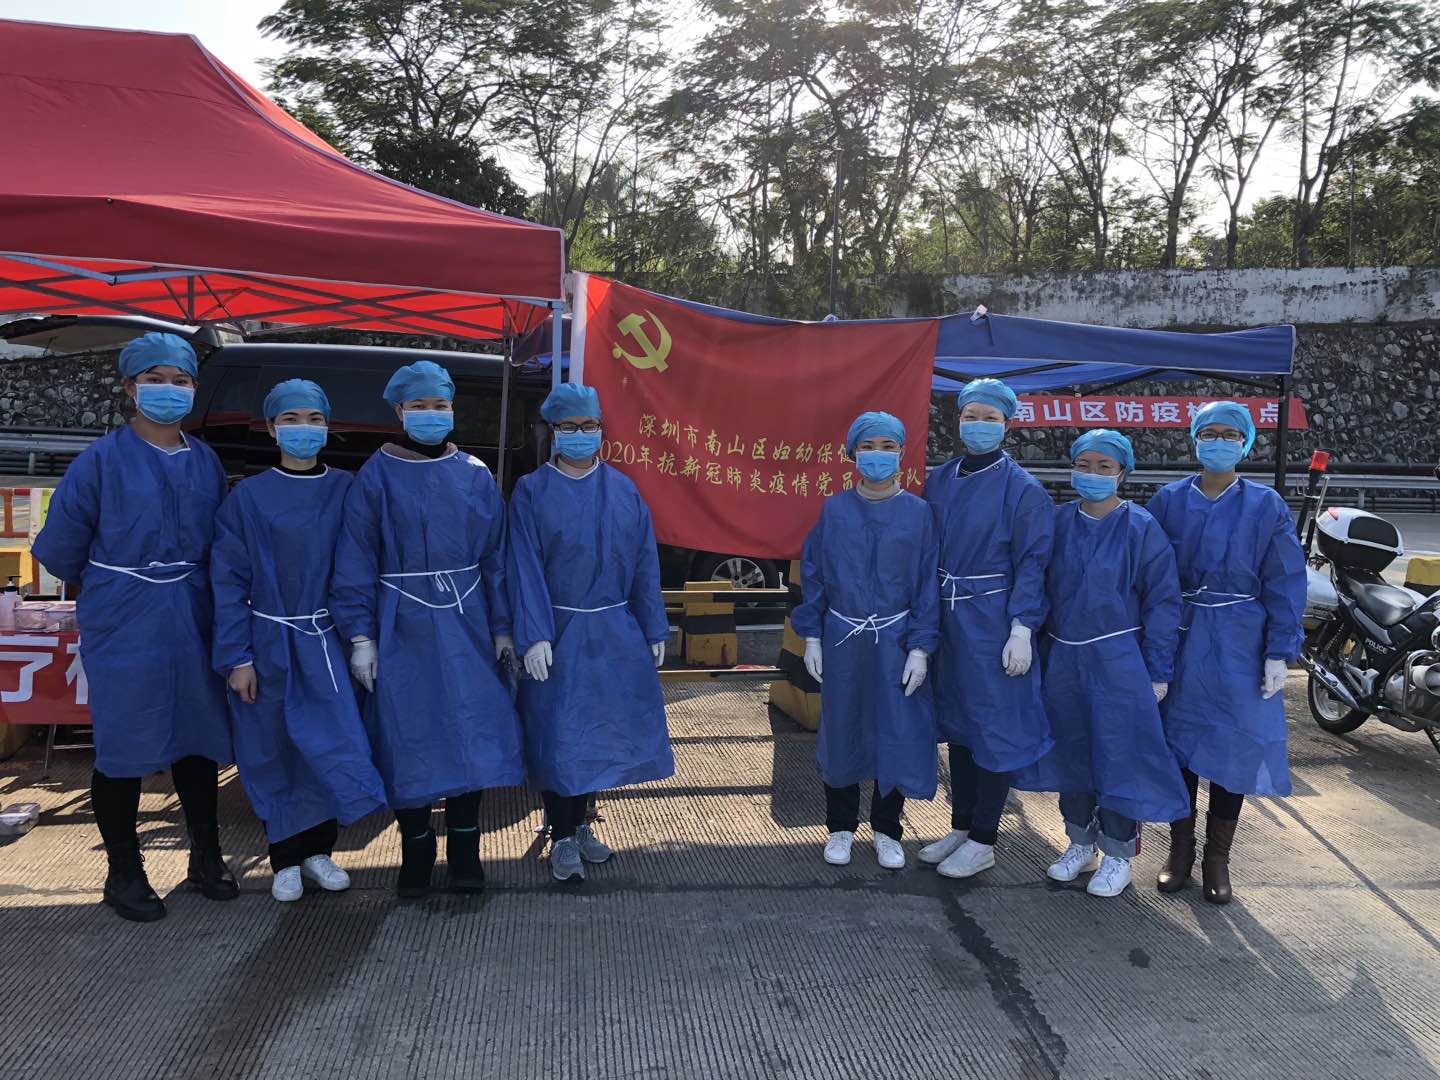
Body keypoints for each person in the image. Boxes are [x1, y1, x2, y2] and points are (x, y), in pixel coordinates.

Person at [31, 332, 234, 923]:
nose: (169, 390)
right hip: (124, 617)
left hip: (193, 613)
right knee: (123, 743)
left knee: (199, 736)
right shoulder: (99, 462)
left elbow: (220, 540)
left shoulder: (205, 460)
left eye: (180, 380)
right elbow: (60, 549)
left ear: (194, 388)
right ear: (129, 387)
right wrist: (122, 584)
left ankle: (206, 857)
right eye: (155, 379)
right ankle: (123, 872)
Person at [331, 360, 523, 898]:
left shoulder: (475, 474)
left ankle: (464, 849)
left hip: (468, 623)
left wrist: (503, 627)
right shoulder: (376, 476)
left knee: (469, 733)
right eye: (419, 406)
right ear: (399, 411)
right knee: (406, 737)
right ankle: (415, 850)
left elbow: (496, 558)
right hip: (401, 626)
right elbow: (355, 559)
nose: (431, 414)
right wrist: (362, 637)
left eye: (440, 405)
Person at [210, 380, 388, 903]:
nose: (303, 428)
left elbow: (362, 567)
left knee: (330, 743)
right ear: (271, 429)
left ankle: (319, 851)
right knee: (272, 748)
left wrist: (362, 637)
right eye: (290, 419)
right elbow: (228, 582)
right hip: (268, 639)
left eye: (314, 418)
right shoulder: (248, 498)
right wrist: (237, 658)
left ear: (329, 426)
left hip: (328, 639)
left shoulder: (348, 490)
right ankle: (284, 858)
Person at [506, 383, 673, 882]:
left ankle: (580, 826)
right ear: (552, 431)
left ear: (601, 429)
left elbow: (644, 563)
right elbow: (523, 568)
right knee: (560, 734)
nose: (580, 434)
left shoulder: (623, 490)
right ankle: (560, 835)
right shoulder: (532, 492)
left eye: (589, 426)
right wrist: (534, 634)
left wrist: (653, 626)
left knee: (600, 732)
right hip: (559, 631)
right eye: (569, 427)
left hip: (613, 631)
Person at [1012, 430, 1188, 898]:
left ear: (1122, 473)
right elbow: (1034, 578)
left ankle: (1117, 853)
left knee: (1118, 754)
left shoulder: (1141, 528)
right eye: (1084, 465)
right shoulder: (1057, 522)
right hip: (1063, 656)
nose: (1092, 474)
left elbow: (1163, 602)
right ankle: (1080, 842)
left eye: (1104, 466)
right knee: (1071, 751)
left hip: (1117, 661)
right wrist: (1023, 631)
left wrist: (1158, 669)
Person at [1146, 401, 1306, 904]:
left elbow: (1285, 579)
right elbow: (1147, 573)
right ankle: (1180, 851)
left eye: (1229, 434)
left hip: (1241, 641)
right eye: (1209, 433)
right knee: (1178, 744)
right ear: (1194, 439)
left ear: (1246, 442)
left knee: (1233, 747)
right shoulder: (1168, 500)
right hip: (1179, 634)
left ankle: (1218, 859)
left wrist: (1280, 649)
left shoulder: (1265, 505)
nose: (1218, 442)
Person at [792, 412, 940, 870]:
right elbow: (815, 573)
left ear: (902, 452)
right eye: (868, 446)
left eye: (887, 446)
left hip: (895, 637)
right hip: (844, 635)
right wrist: (812, 635)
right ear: (852, 453)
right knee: (842, 727)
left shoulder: (919, 514)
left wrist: (920, 647)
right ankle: (840, 827)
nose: (878, 455)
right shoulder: (835, 510)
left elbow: (926, 585)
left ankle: (887, 829)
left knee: (895, 729)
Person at [921, 378, 1054, 880]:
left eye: (990, 418)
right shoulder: (940, 479)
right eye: (970, 416)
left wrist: (1022, 627)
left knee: (994, 728)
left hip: (992, 621)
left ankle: (984, 839)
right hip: (947, 618)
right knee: (958, 725)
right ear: (957, 420)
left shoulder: (1023, 490)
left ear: (1007, 424)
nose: (979, 425)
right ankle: (961, 825)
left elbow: (1033, 563)